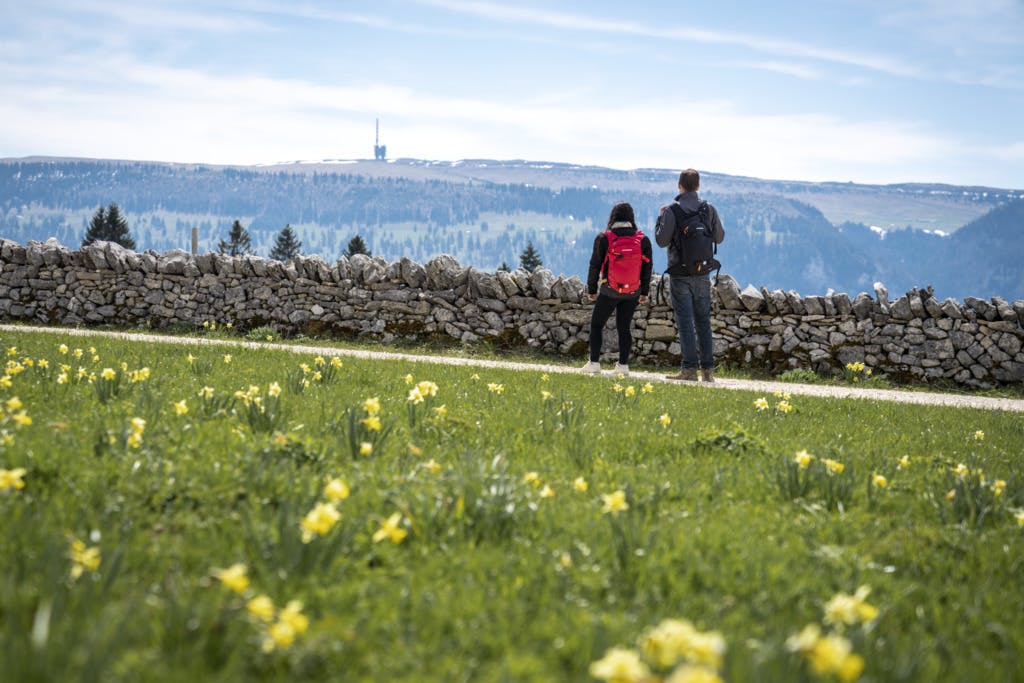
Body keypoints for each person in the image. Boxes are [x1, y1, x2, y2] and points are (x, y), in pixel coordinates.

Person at [655, 169, 725, 382]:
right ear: (698, 186)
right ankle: (708, 371)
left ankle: (689, 370)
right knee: (703, 321)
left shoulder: (671, 210)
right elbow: (719, 238)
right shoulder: (708, 209)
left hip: (680, 273)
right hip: (702, 272)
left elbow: (661, 241)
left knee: (685, 321)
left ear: (679, 185)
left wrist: (660, 219)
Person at [583, 202, 653, 377]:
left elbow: (595, 265)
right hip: (632, 292)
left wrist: (592, 289)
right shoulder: (642, 240)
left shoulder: (604, 238)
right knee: (624, 328)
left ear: (613, 217)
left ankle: (594, 363)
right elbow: (647, 268)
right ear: (631, 218)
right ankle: (623, 366)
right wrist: (644, 292)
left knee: (597, 324)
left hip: (609, 290)